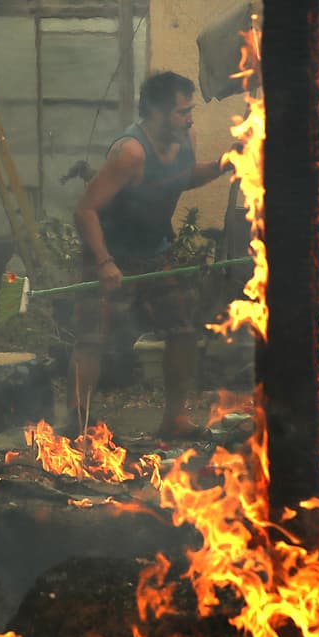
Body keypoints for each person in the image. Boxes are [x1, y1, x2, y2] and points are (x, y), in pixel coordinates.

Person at [68, 71, 231, 440]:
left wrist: (224, 164)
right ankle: (78, 423)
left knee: (183, 329)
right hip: (108, 251)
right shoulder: (131, 152)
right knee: (92, 337)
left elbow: (184, 176)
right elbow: (85, 210)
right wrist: (105, 262)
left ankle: (174, 419)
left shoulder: (185, 137)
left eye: (190, 110)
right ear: (157, 113)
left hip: (156, 250)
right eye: (182, 111)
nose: (190, 118)